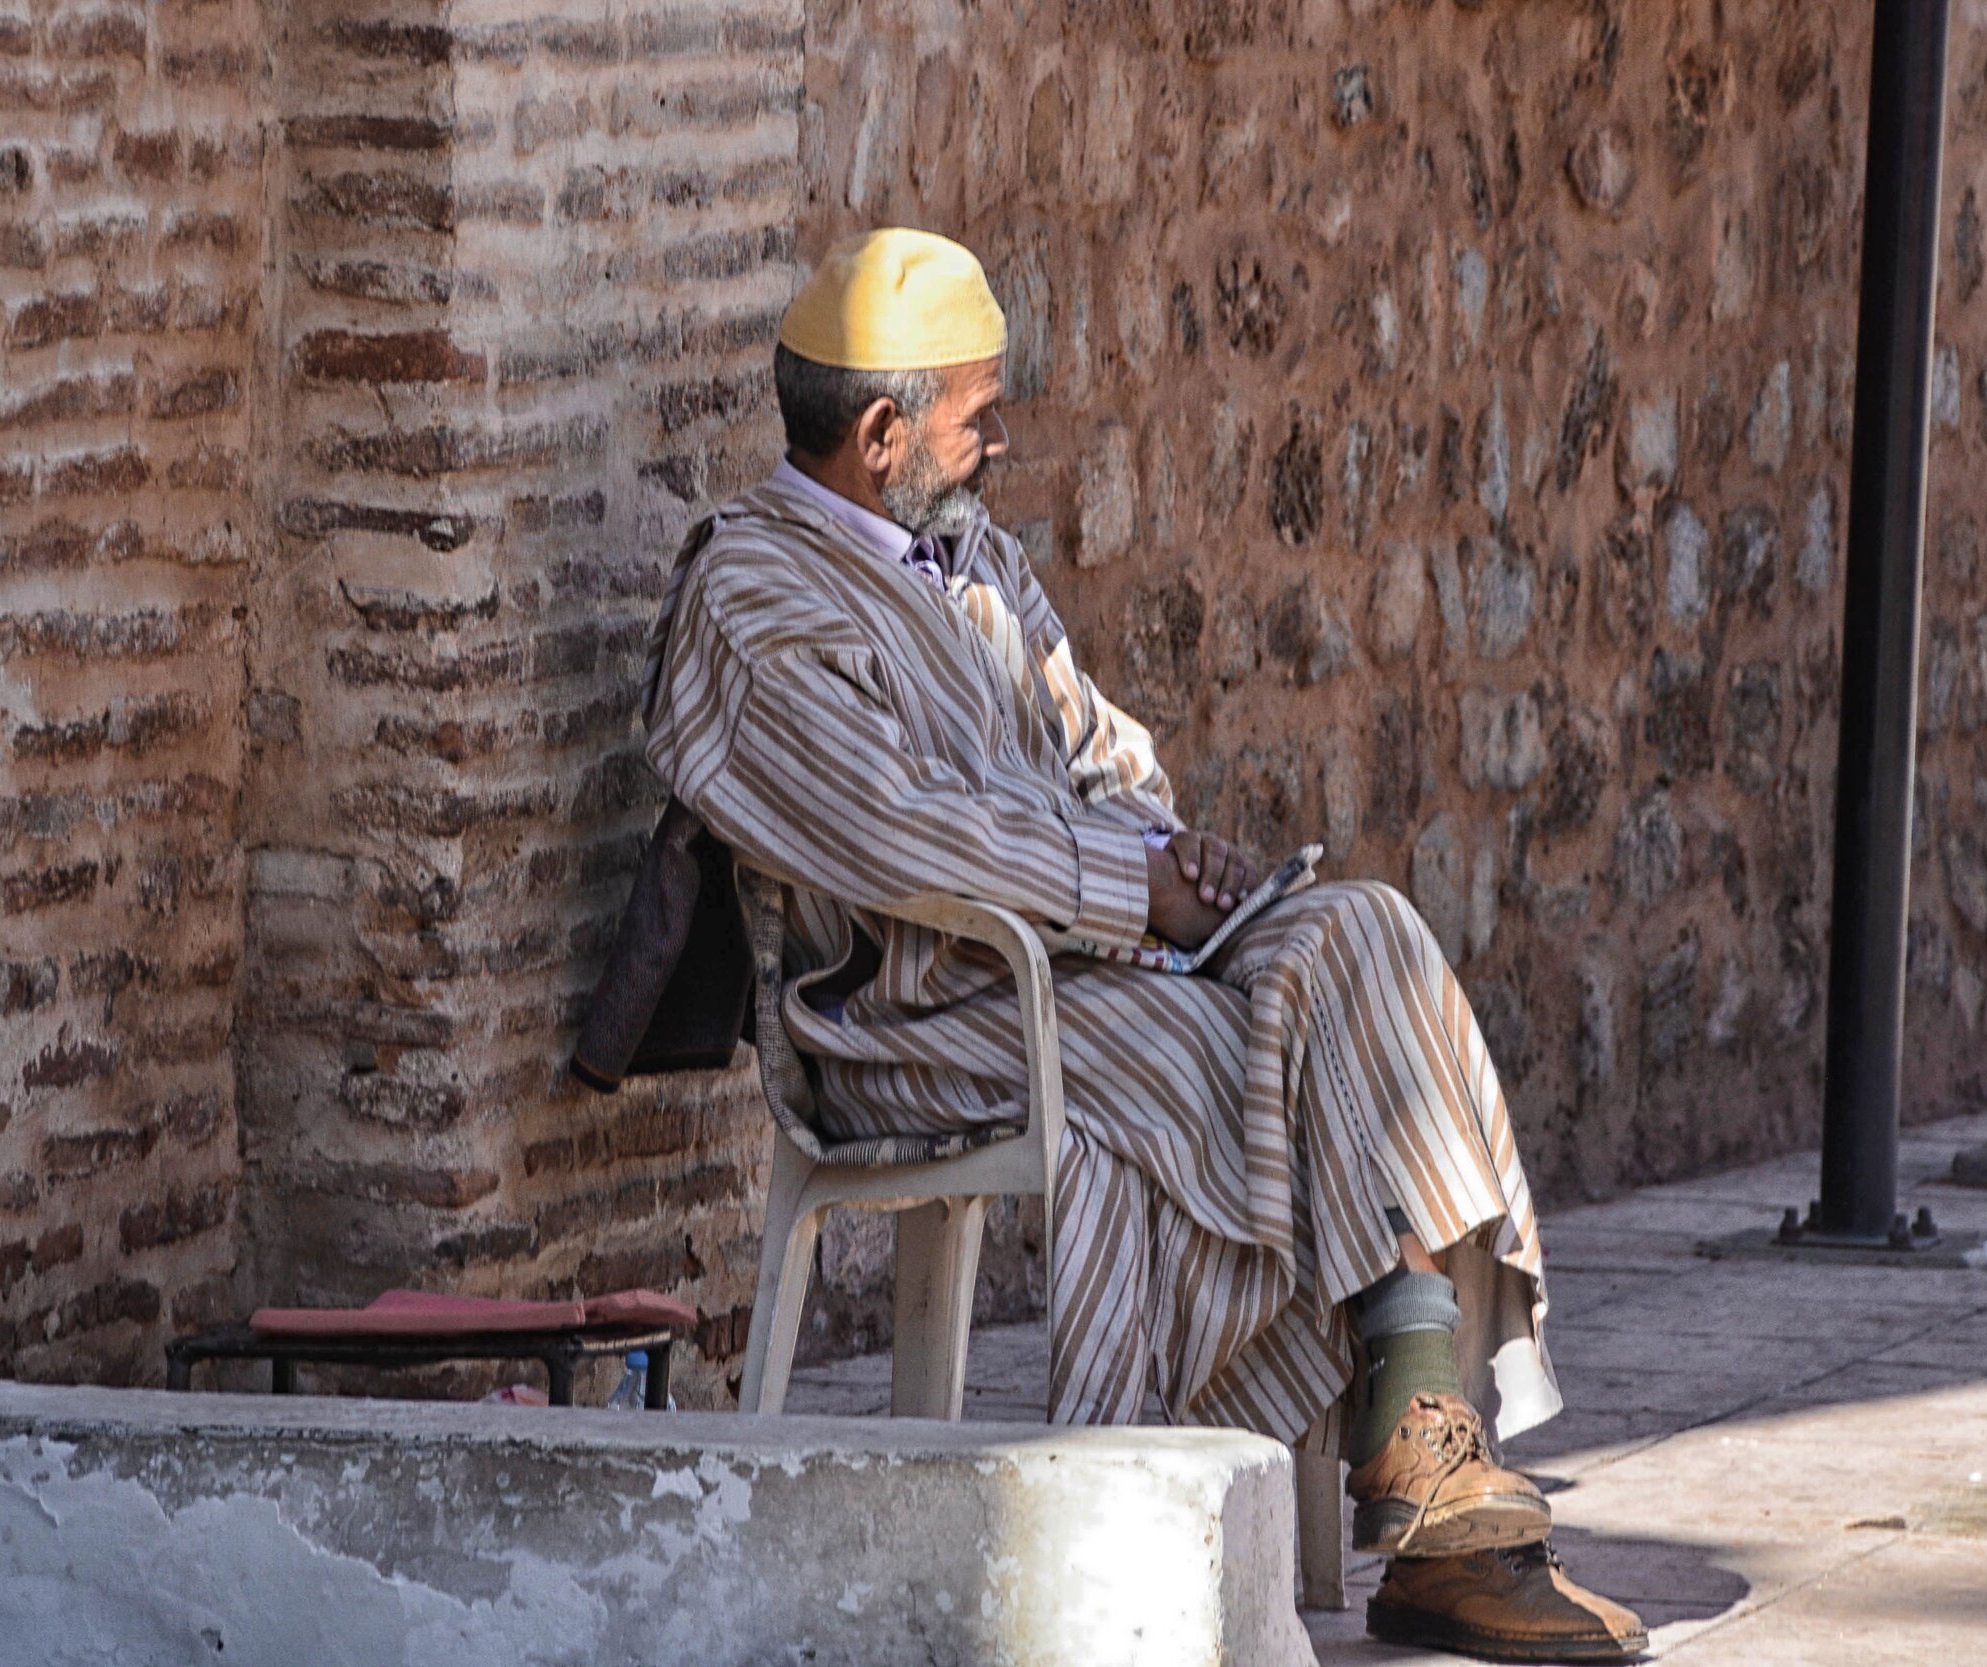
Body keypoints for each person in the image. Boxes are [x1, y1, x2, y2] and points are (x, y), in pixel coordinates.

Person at [639, 228, 1647, 1663]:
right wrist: (1131, 893)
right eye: (979, 416)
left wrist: (1171, 855)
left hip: (1072, 966)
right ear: (881, 432)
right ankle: (1209, 1509)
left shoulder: (970, 555)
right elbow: (899, 836)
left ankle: (1422, 1427)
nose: (1000, 443)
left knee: (1360, 931)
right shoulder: (754, 599)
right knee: (1213, 1055)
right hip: (907, 1021)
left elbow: (1096, 743)